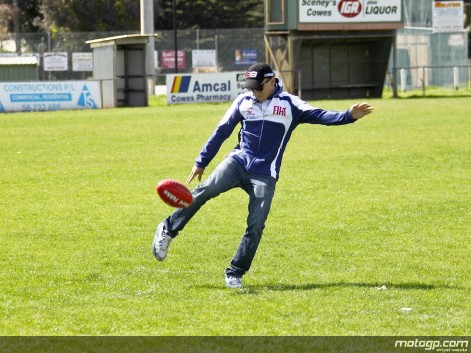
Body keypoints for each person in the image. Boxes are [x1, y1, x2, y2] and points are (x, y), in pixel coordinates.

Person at [153, 62, 374, 289]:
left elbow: (321, 115)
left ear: (271, 82)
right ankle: (167, 229)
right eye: (250, 87)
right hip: (238, 162)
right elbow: (221, 132)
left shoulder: (290, 104)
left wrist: (348, 116)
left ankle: (235, 273)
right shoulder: (243, 100)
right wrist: (201, 161)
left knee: (256, 224)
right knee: (204, 190)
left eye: (258, 87)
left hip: (265, 173)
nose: (254, 92)